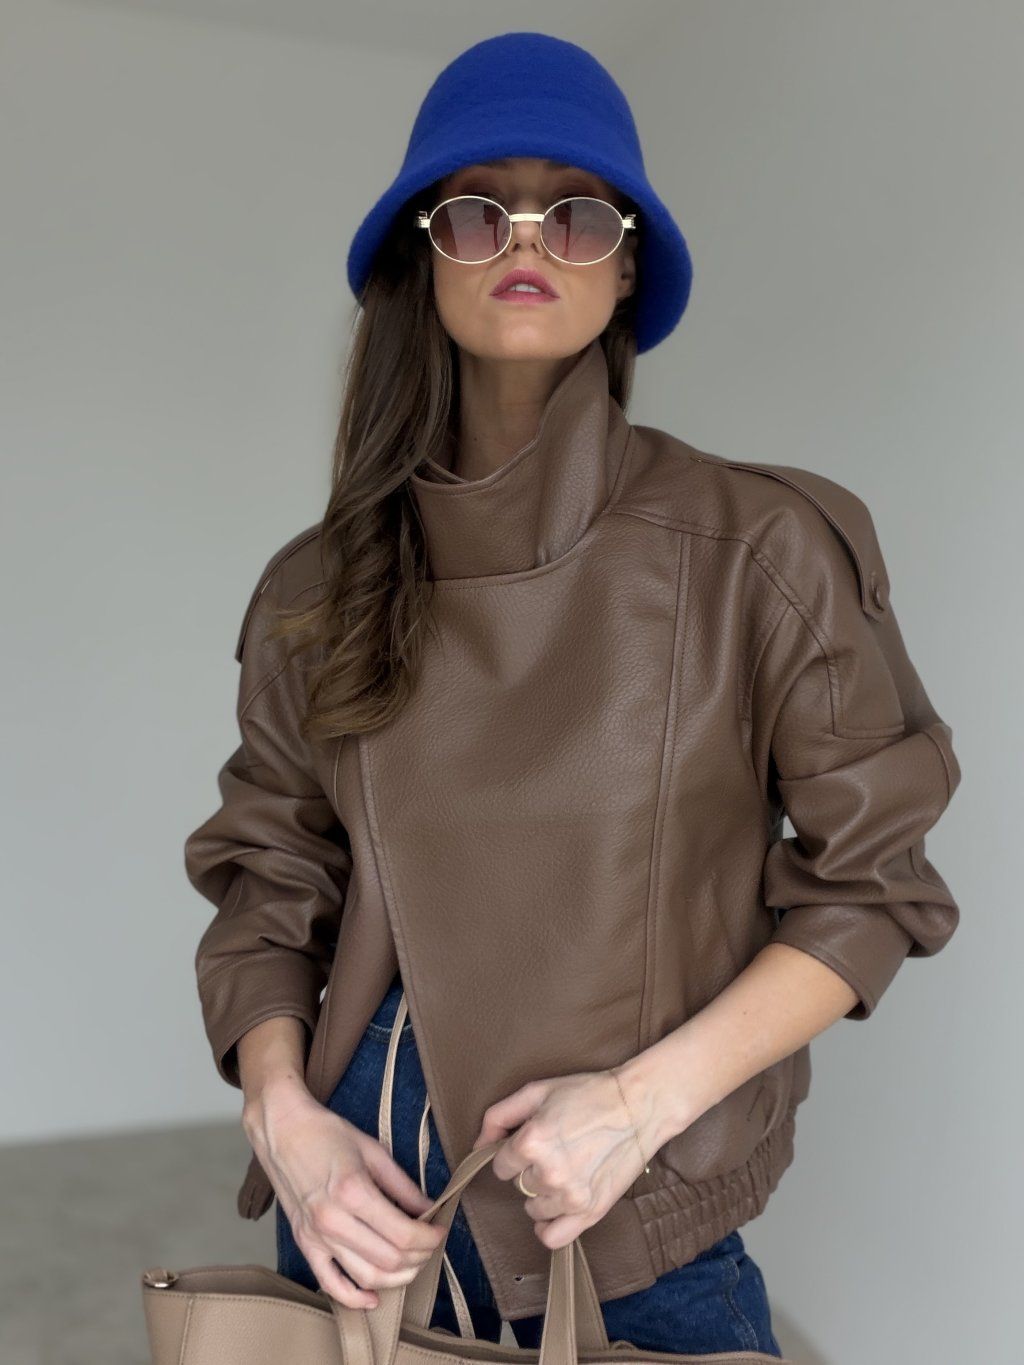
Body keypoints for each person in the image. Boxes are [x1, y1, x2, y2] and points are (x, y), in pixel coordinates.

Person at [183, 31, 961, 1360]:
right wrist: (281, 1116)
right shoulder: (319, 584)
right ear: (425, 256)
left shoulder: (761, 549)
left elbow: (874, 886)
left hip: (621, 1226)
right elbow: (271, 878)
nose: (527, 241)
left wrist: (636, 1106)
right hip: (352, 1218)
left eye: (579, 212)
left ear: (629, 263)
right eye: (478, 211)